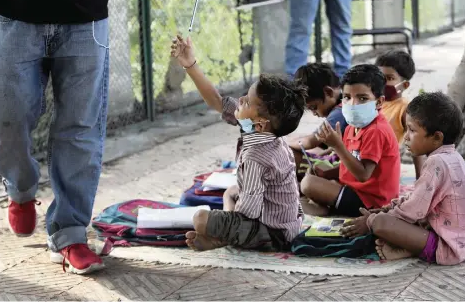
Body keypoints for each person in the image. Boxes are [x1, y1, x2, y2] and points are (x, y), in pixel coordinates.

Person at [0, 0, 208, 275]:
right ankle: (19, 187)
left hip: (85, 11)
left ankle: (70, 233)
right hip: (11, 10)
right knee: (7, 118)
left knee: (80, 127)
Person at [171, 35, 305, 252]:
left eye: (247, 101)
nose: (240, 100)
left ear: (260, 124)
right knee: (231, 191)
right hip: (285, 224)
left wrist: (221, 224)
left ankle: (221, 238)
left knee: (201, 219)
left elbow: (249, 212)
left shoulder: (256, 156)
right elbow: (217, 100)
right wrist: (190, 64)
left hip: (273, 233)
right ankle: (221, 237)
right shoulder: (267, 132)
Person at [340, 92, 465, 265]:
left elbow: (413, 210)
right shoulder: (452, 156)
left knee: (381, 224)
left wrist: (370, 222)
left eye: (412, 130)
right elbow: (419, 199)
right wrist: (387, 209)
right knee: (386, 217)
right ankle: (406, 247)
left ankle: (412, 248)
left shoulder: (436, 162)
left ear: (436, 137)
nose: (406, 136)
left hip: (449, 247)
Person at [300, 64, 400, 217]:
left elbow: (363, 175)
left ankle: (319, 207)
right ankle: (321, 207)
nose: (352, 104)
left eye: (362, 98)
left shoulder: (376, 130)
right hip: (356, 191)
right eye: (347, 97)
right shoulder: (351, 127)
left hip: (373, 202)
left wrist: (338, 146)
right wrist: (326, 175)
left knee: (308, 185)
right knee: (312, 177)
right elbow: (349, 166)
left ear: (379, 102)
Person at [289, 63, 348, 179]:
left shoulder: (339, 112)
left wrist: (284, 144)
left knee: (290, 154)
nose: (314, 113)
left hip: (344, 167)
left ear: (328, 92)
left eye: (313, 107)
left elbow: (311, 141)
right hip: (341, 158)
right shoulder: (341, 107)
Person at [376, 50, 425, 178]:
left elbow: (416, 144)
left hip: (380, 167)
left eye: (389, 78)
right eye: (380, 77)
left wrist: (420, 178)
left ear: (404, 85)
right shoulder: (372, 101)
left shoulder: (404, 109)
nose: (383, 82)